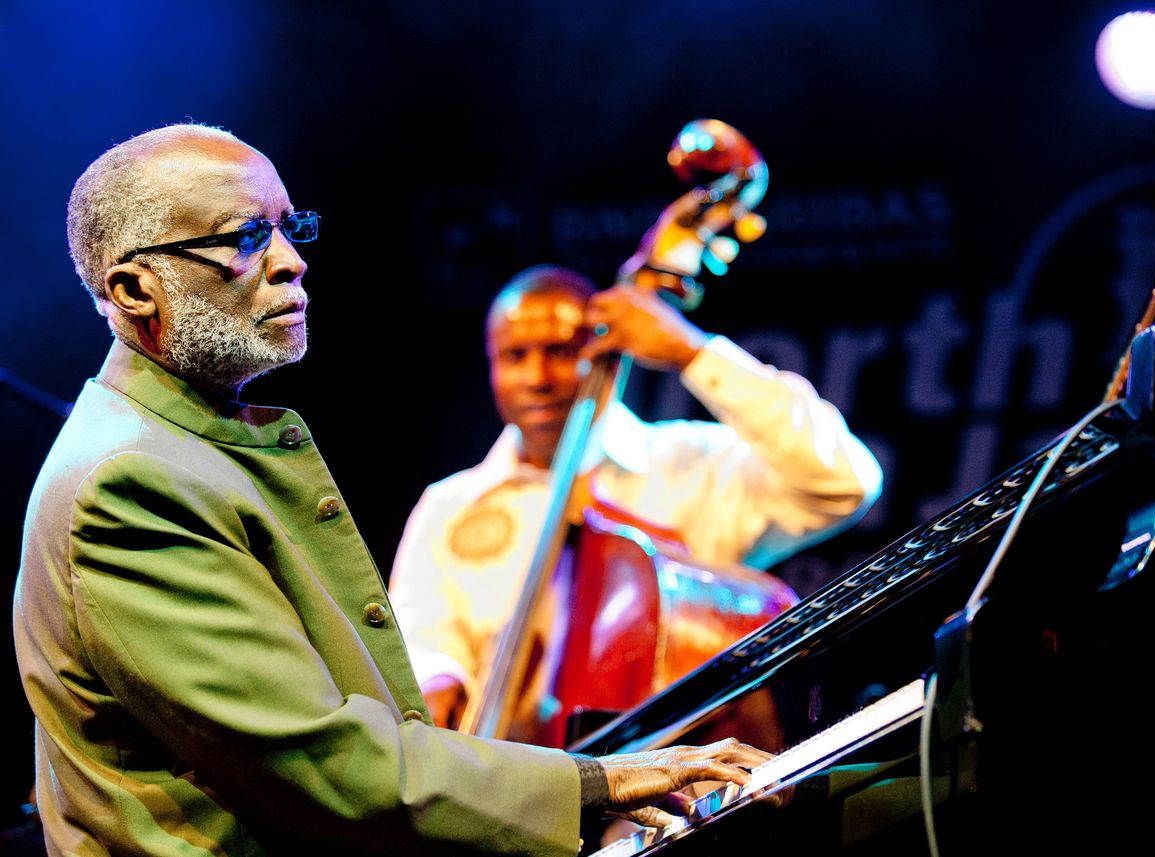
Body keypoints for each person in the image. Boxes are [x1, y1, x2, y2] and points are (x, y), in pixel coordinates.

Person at [11, 123, 773, 857]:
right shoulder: (131, 482)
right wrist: (599, 782)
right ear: (137, 288)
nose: (290, 262)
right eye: (246, 237)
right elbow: (328, 766)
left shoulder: (189, 444)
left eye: (287, 227)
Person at [388, 263, 884, 736]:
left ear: (604, 349)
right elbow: (419, 634)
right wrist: (436, 675)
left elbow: (845, 482)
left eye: (561, 351)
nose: (537, 377)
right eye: (515, 356)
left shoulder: (691, 462)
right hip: (510, 783)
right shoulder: (449, 505)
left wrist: (693, 352)